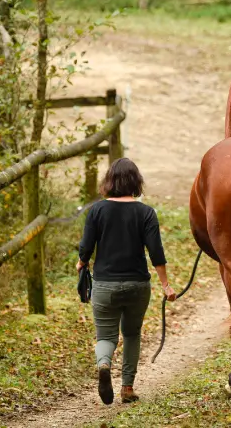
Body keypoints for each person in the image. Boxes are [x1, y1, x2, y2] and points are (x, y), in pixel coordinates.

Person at [76, 157, 177, 405]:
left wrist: (81, 263)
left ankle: (103, 365)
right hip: (137, 286)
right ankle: (127, 388)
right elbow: (156, 253)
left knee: (106, 337)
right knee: (132, 334)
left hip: (104, 286)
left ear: (109, 181)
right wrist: (166, 285)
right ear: (136, 181)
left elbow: (86, 248)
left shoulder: (97, 210)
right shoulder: (146, 213)